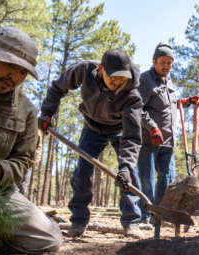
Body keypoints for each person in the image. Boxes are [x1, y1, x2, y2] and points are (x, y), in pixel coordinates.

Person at [39, 49, 146, 239]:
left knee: (130, 176)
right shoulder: (85, 70)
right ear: (101, 69)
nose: (117, 82)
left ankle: (131, 222)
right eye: (112, 77)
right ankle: (79, 221)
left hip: (119, 129)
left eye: (122, 78)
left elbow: (132, 137)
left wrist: (125, 168)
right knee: (81, 173)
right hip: (91, 126)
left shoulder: (132, 95)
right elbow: (58, 87)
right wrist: (47, 112)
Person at [0, 27, 62, 254]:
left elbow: (22, 162)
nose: (15, 77)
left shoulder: (26, 110)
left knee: (50, 239)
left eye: (23, 72)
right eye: (10, 64)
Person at [137, 42, 199, 226]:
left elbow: (169, 106)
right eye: (163, 62)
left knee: (167, 179)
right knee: (147, 178)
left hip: (168, 141)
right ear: (154, 61)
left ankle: (162, 216)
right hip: (149, 138)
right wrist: (151, 127)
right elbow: (137, 108)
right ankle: (143, 216)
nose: (166, 66)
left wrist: (187, 102)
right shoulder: (145, 80)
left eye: (170, 63)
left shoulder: (168, 82)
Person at [18, 131, 42, 198]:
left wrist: (36, 160)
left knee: (23, 184)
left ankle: (19, 205)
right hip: (13, 159)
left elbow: (39, 146)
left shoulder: (37, 130)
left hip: (28, 162)